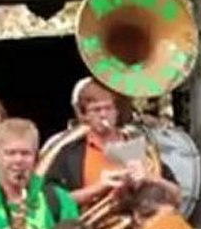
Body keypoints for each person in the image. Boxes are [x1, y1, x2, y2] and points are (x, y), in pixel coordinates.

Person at [41, 78, 180, 214]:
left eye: (108, 108)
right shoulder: (69, 152)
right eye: (96, 110)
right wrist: (98, 188)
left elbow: (177, 196)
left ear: (117, 111)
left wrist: (150, 178)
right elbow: (49, 202)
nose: (103, 115)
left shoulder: (136, 146)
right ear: (85, 116)